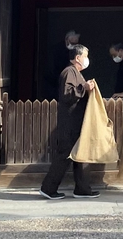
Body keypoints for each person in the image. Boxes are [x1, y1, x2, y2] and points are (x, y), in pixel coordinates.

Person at [40, 44, 101, 200]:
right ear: (78, 57)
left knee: (81, 156)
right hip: (69, 122)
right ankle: (48, 188)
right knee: (64, 156)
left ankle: (82, 189)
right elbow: (67, 94)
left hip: (77, 121)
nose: (87, 59)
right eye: (86, 56)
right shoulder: (69, 72)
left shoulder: (76, 73)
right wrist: (84, 88)